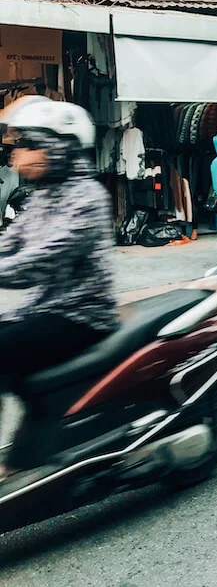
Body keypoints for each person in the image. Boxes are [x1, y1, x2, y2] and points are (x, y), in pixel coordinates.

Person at [0, 97, 118, 476]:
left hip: (80, 314)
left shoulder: (87, 197)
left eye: (31, 145)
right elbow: (10, 243)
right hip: (43, 309)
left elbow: (44, 259)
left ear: (59, 148)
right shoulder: (42, 197)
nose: (19, 155)